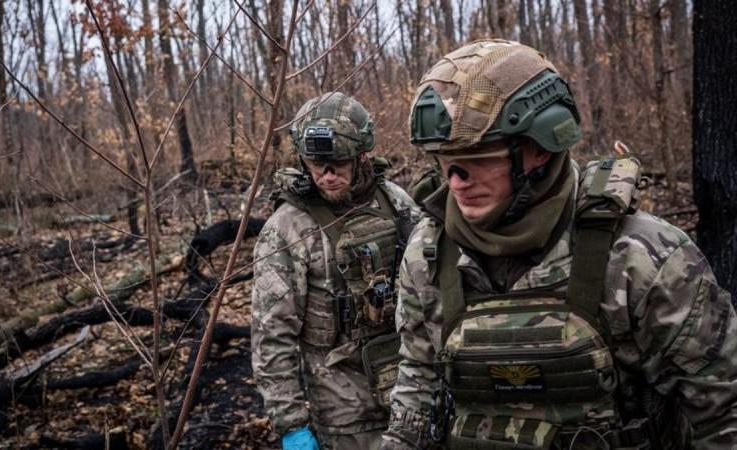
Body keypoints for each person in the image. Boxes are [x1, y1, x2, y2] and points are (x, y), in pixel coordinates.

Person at [381, 39, 737, 450]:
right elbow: (418, 386)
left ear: (540, 148)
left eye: (478, 154)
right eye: (443, 157)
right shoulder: (429, 252)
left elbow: (722, 412)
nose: (456, 179)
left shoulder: (641, 256)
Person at [251, 92, 421, 449]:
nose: (326, 176)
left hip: (412, 393)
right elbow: (272, 334)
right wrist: (291, 424)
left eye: (337, 164)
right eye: (316, 165)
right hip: (344, 412)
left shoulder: (396, 202)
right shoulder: (288, 228)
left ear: (362, 156)